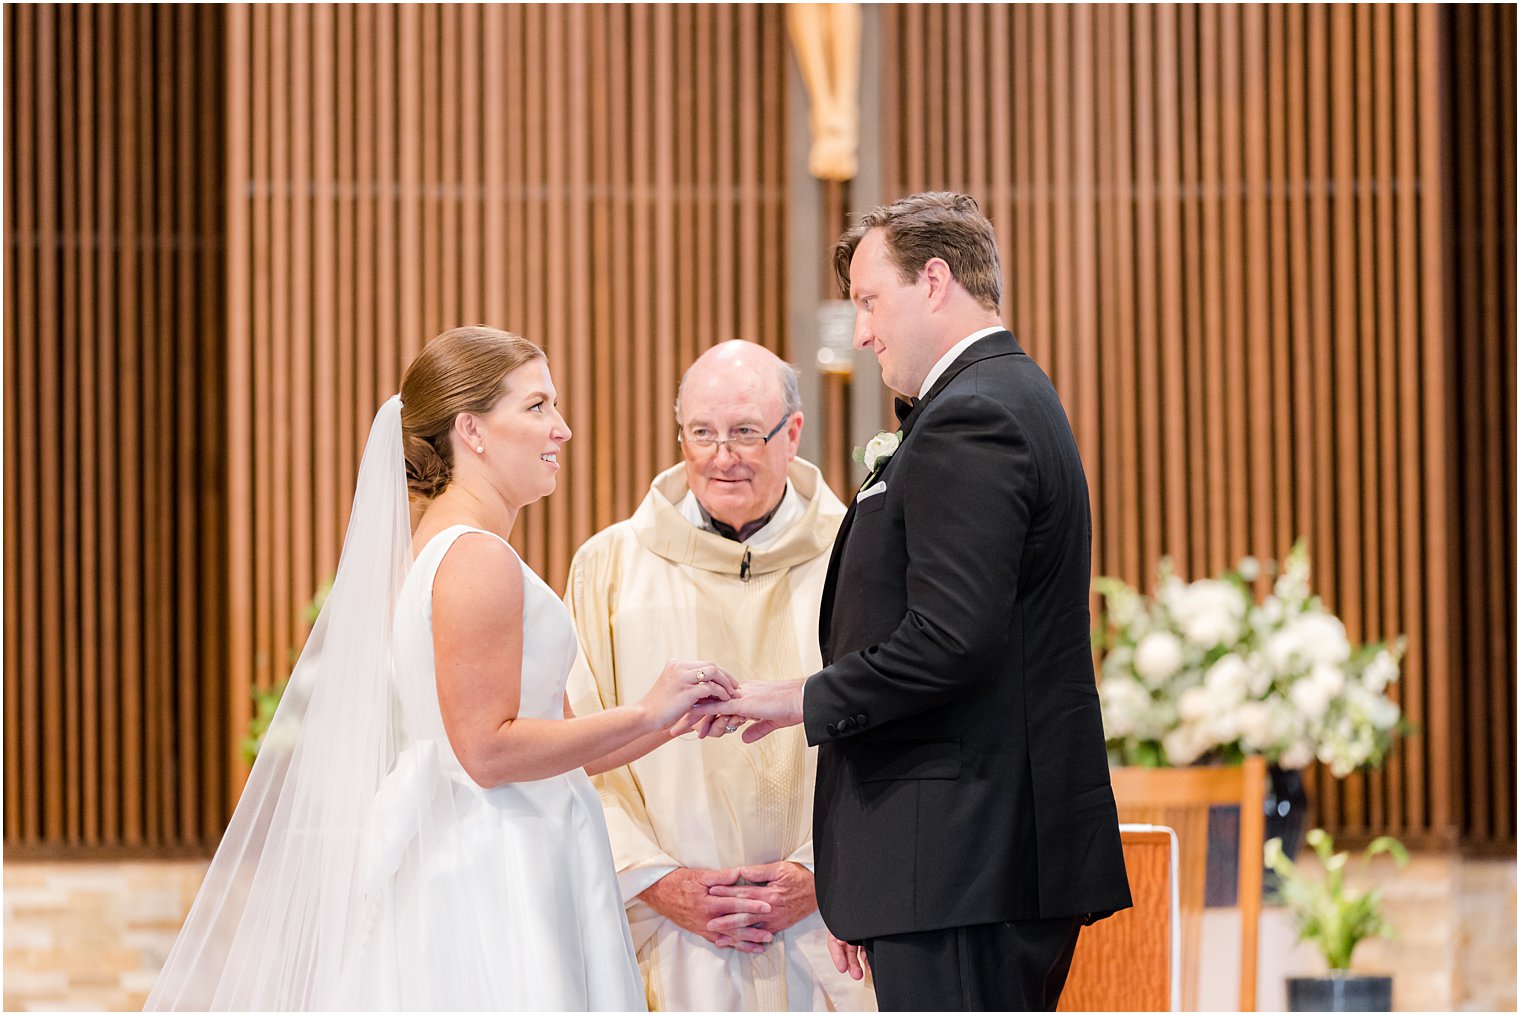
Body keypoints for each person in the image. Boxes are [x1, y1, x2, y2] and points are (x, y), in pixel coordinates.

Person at [146, 326, 736, 1011]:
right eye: (538, 406)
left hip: (518, 831)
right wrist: (645, 710)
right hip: (499, 861)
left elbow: (557, 738)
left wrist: (674, 717)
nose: (563, 429)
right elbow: (486, 749)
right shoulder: (474, 558)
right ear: (473, 430)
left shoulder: (446, 547)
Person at [694, 193, 1133, 1011]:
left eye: (869, 300)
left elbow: (950, 639)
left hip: (965, 863)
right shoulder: (994, 397)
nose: (860, 331)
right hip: (960, 864)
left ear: (934, 281)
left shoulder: (975, 415)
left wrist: (797, 699)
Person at [563, 341, 874, 1011]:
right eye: (701, 433)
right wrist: (654, 878)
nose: (720, 455)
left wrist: (822, 872)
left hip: (828, 928)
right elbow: (576, 750)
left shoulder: (860, 554)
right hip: (668, 935)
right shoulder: (609, 569)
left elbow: (898, 722)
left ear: (792, 433)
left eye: (743, 432)